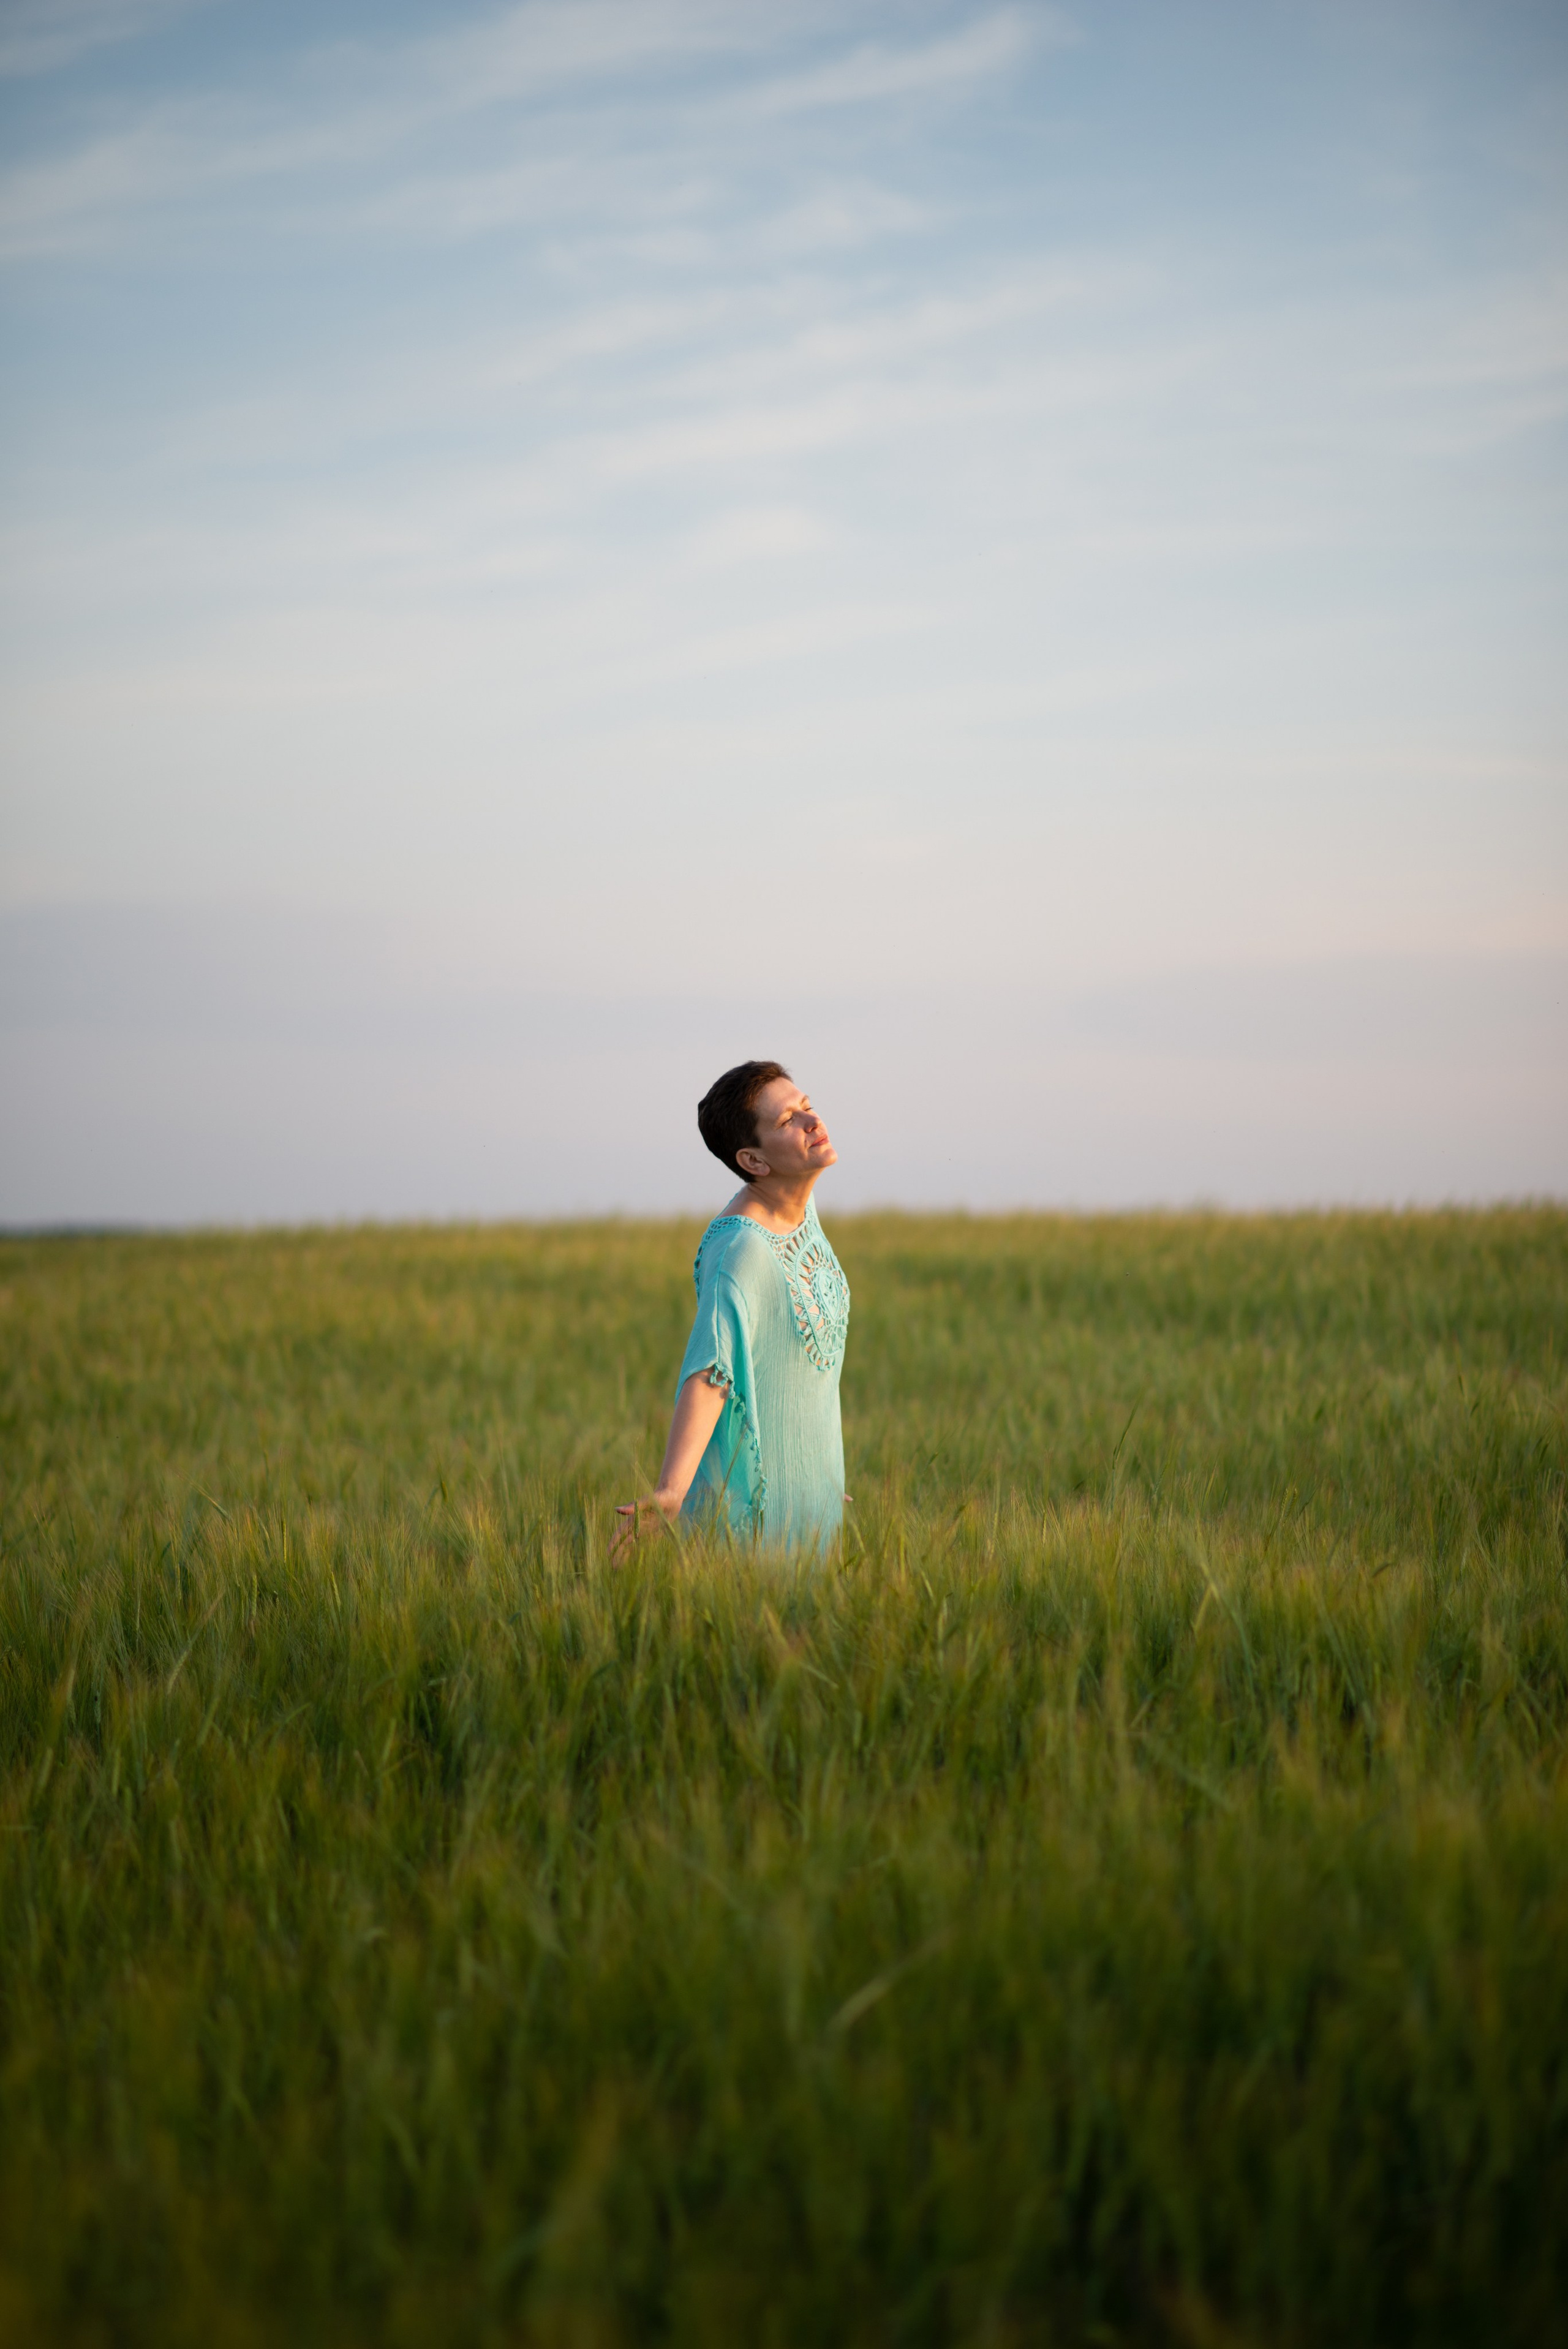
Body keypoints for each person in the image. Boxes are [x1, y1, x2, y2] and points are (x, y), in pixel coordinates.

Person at [612, 1060, 851, 1557]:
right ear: (755, 1161)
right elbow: (712, 1369)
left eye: (806, 1106)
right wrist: (672, 1491)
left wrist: (820, 1472)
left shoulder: (802, 1212)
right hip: (758, 1525)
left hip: (814, 1510)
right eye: (788, 1120)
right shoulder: (741, 1250)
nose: (813, 1122)